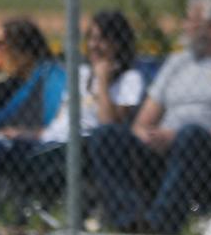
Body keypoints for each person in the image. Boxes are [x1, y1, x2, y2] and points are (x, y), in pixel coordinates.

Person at [87, 0, 211, 235]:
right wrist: (147, 135)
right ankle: (131, 222)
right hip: (163, 151)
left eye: (191, 20)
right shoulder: (178, 63)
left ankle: (160, 225)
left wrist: (179, 138)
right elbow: (143, 121)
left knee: (191, 135)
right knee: (106, 136)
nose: (184, 25)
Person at [0, 19, 65, 194]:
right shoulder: (37, 75)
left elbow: (7, 115)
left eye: (0, 43)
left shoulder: (46, 76)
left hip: (45, 148)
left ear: (24, 50)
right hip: (37, 143)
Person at [40, 10, 145, 144]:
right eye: (90, 38)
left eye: (101, 39)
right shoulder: (81, 73)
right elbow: (58, 123)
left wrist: (102, 81)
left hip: (79, 146)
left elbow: (109, 126)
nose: (93, 45)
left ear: (118, 44)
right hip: (49, 141)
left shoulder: (130, 78)